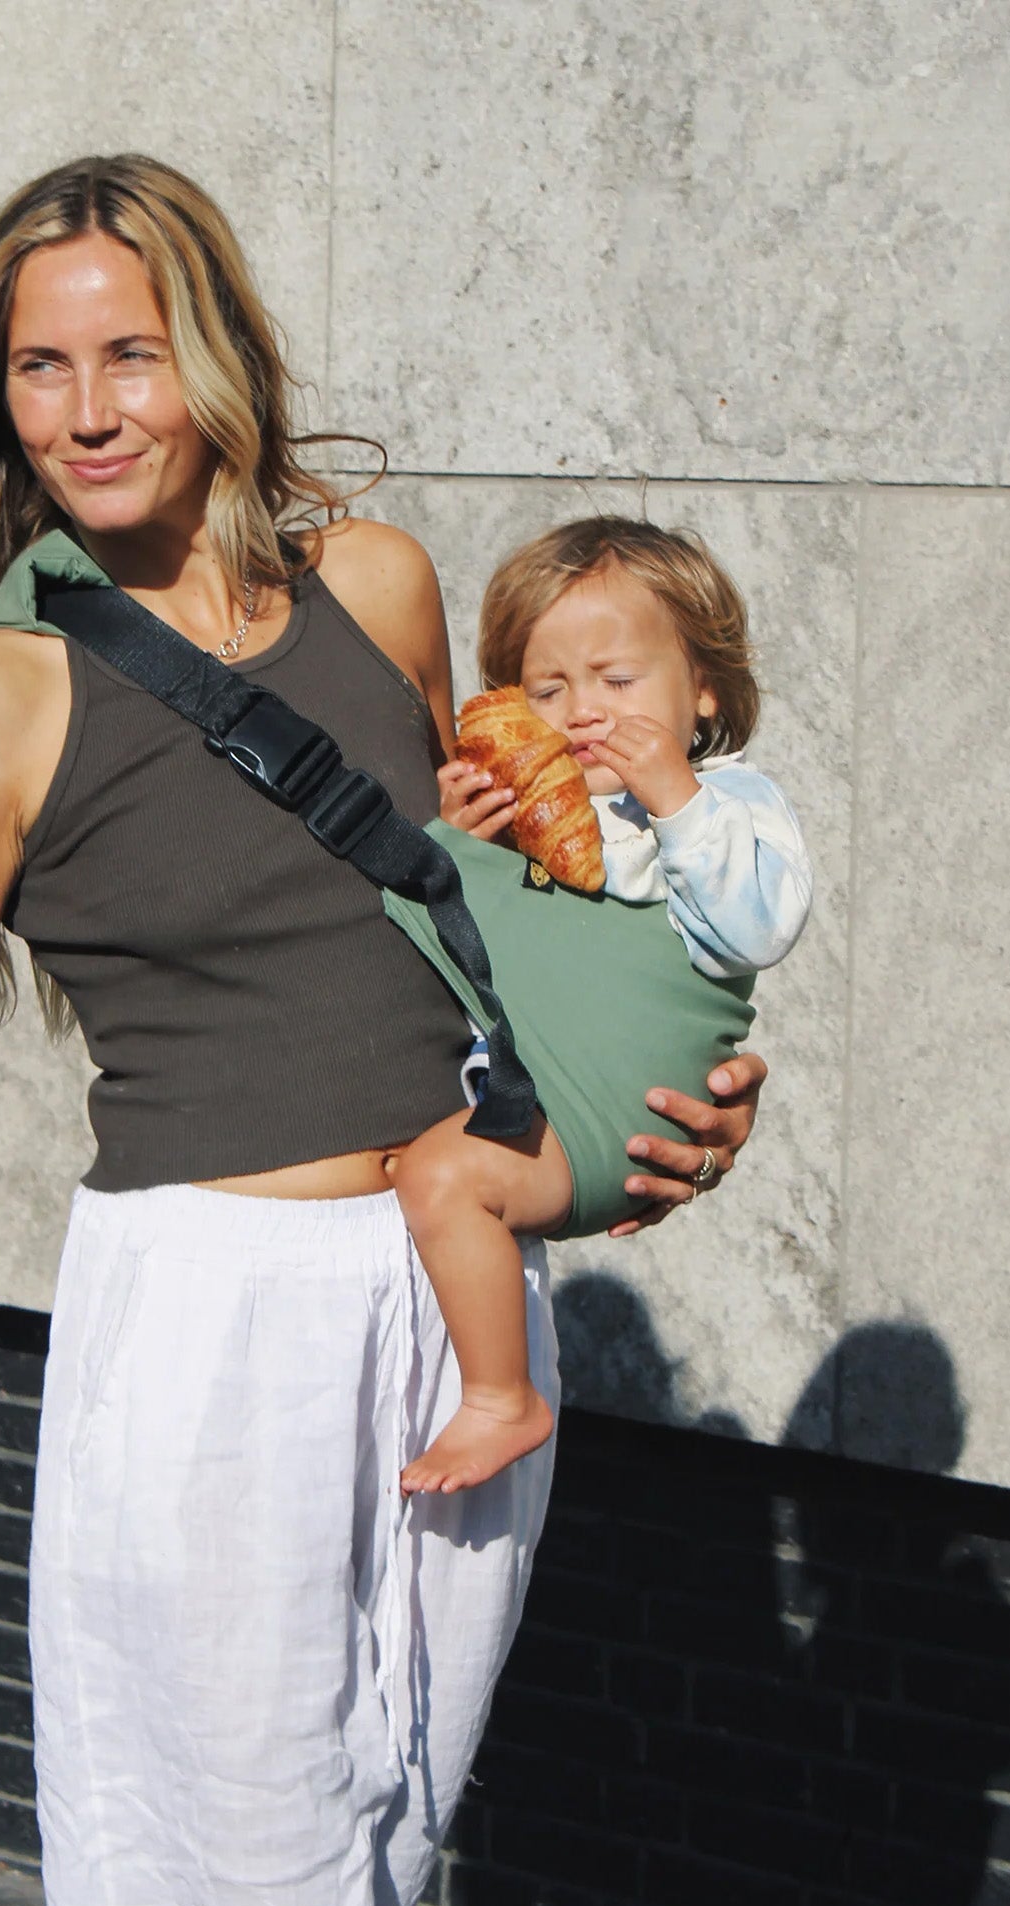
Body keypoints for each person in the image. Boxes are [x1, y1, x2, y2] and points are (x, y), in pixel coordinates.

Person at [0, 154, 769, 1906]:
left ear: (215, 355)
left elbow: (503, 923)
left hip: (457, 1305)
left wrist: (663, 1114)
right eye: (42, 368)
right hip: (212, 1327)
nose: (89, 411)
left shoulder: (379, 587)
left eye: (131, 354)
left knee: (372, 1858)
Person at [387, 518, 812, 1496]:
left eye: (618, 681)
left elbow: (753, 929)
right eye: (547, 690)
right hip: (541, 1098)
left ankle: (502, 1397)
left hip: (617, 1118)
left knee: (443, 1176)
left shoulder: (733, 803)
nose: (583, 712)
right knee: (440, 1172)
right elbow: (456, 951)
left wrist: (677, 801)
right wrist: (457, 844)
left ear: (702, 688)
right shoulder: (540, 816)